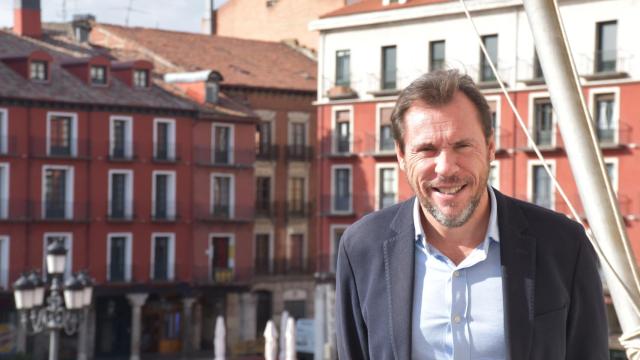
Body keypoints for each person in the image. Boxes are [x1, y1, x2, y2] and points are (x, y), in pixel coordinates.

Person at [335, 70, 608, 360]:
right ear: (401, 156)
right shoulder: (362, 248)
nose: (446, 167)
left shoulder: (564, 245)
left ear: (490, 148)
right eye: (426, 149)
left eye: (462, 146)